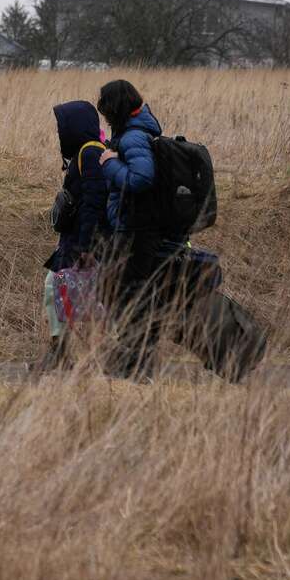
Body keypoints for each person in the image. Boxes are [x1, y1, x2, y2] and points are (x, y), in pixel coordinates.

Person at [95, 78, 190, 379]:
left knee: (131, 297)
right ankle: (130, 364)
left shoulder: (134, 137)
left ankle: (135, 367)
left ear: (118, 109)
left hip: (138, 232)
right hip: (136, 229)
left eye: (108, 112)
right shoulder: (136, 132)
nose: (106, 119)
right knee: (129, 295)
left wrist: (109, 163)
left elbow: (141, 179)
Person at [33, 100, 109, 372]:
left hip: (82, 242)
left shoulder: (89, 153)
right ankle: (65, 353)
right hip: (77, 240)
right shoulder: (86, 151)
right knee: (60, 290)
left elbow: (93, 201)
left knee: (57, 287)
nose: (59, 132)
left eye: (62, 126)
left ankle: (64, 354)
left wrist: (86, 246)